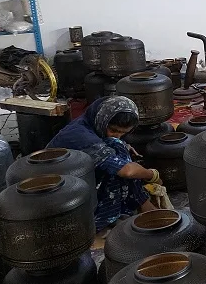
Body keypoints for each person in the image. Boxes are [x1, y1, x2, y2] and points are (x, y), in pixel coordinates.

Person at [48, 96, 160, 230]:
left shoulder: (92, 121)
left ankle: (140, 205)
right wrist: (151, 175)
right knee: (118, 160)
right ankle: (102, 220)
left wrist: (124, 146)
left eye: (123, 132)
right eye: (114, 130)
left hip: (75, 178)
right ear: (103, 120)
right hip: (57, 193)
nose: (117, 135)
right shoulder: (81, 136)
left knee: (118, 148)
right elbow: (127, 171)